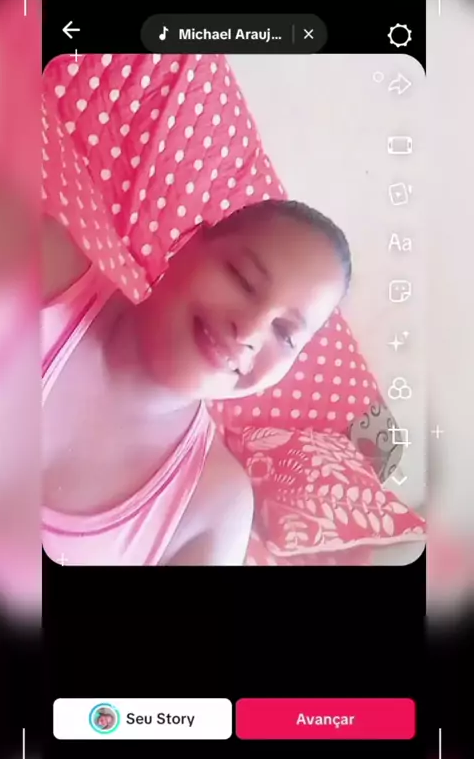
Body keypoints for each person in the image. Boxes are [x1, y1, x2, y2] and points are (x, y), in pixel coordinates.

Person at [42, 199, 351, 566]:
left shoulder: (214, 508)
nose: (249, 330)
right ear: (187, 245)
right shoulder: (44, 264)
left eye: (285, 334)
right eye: (243, 279)